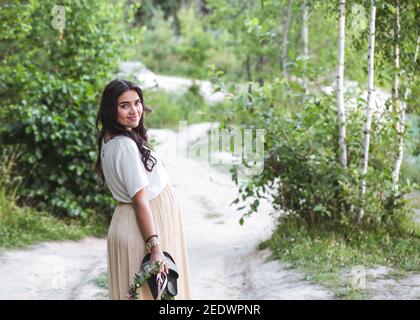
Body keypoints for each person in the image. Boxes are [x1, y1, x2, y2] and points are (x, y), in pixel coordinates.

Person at [95, 79, 191, 300]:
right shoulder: (125, 145)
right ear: (111, 109)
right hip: (143, 228)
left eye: (137, 102)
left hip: (130, 223)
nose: (134, 110)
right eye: (124, 105)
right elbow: (139, 200)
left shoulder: (110, 138)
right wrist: (155, 247)